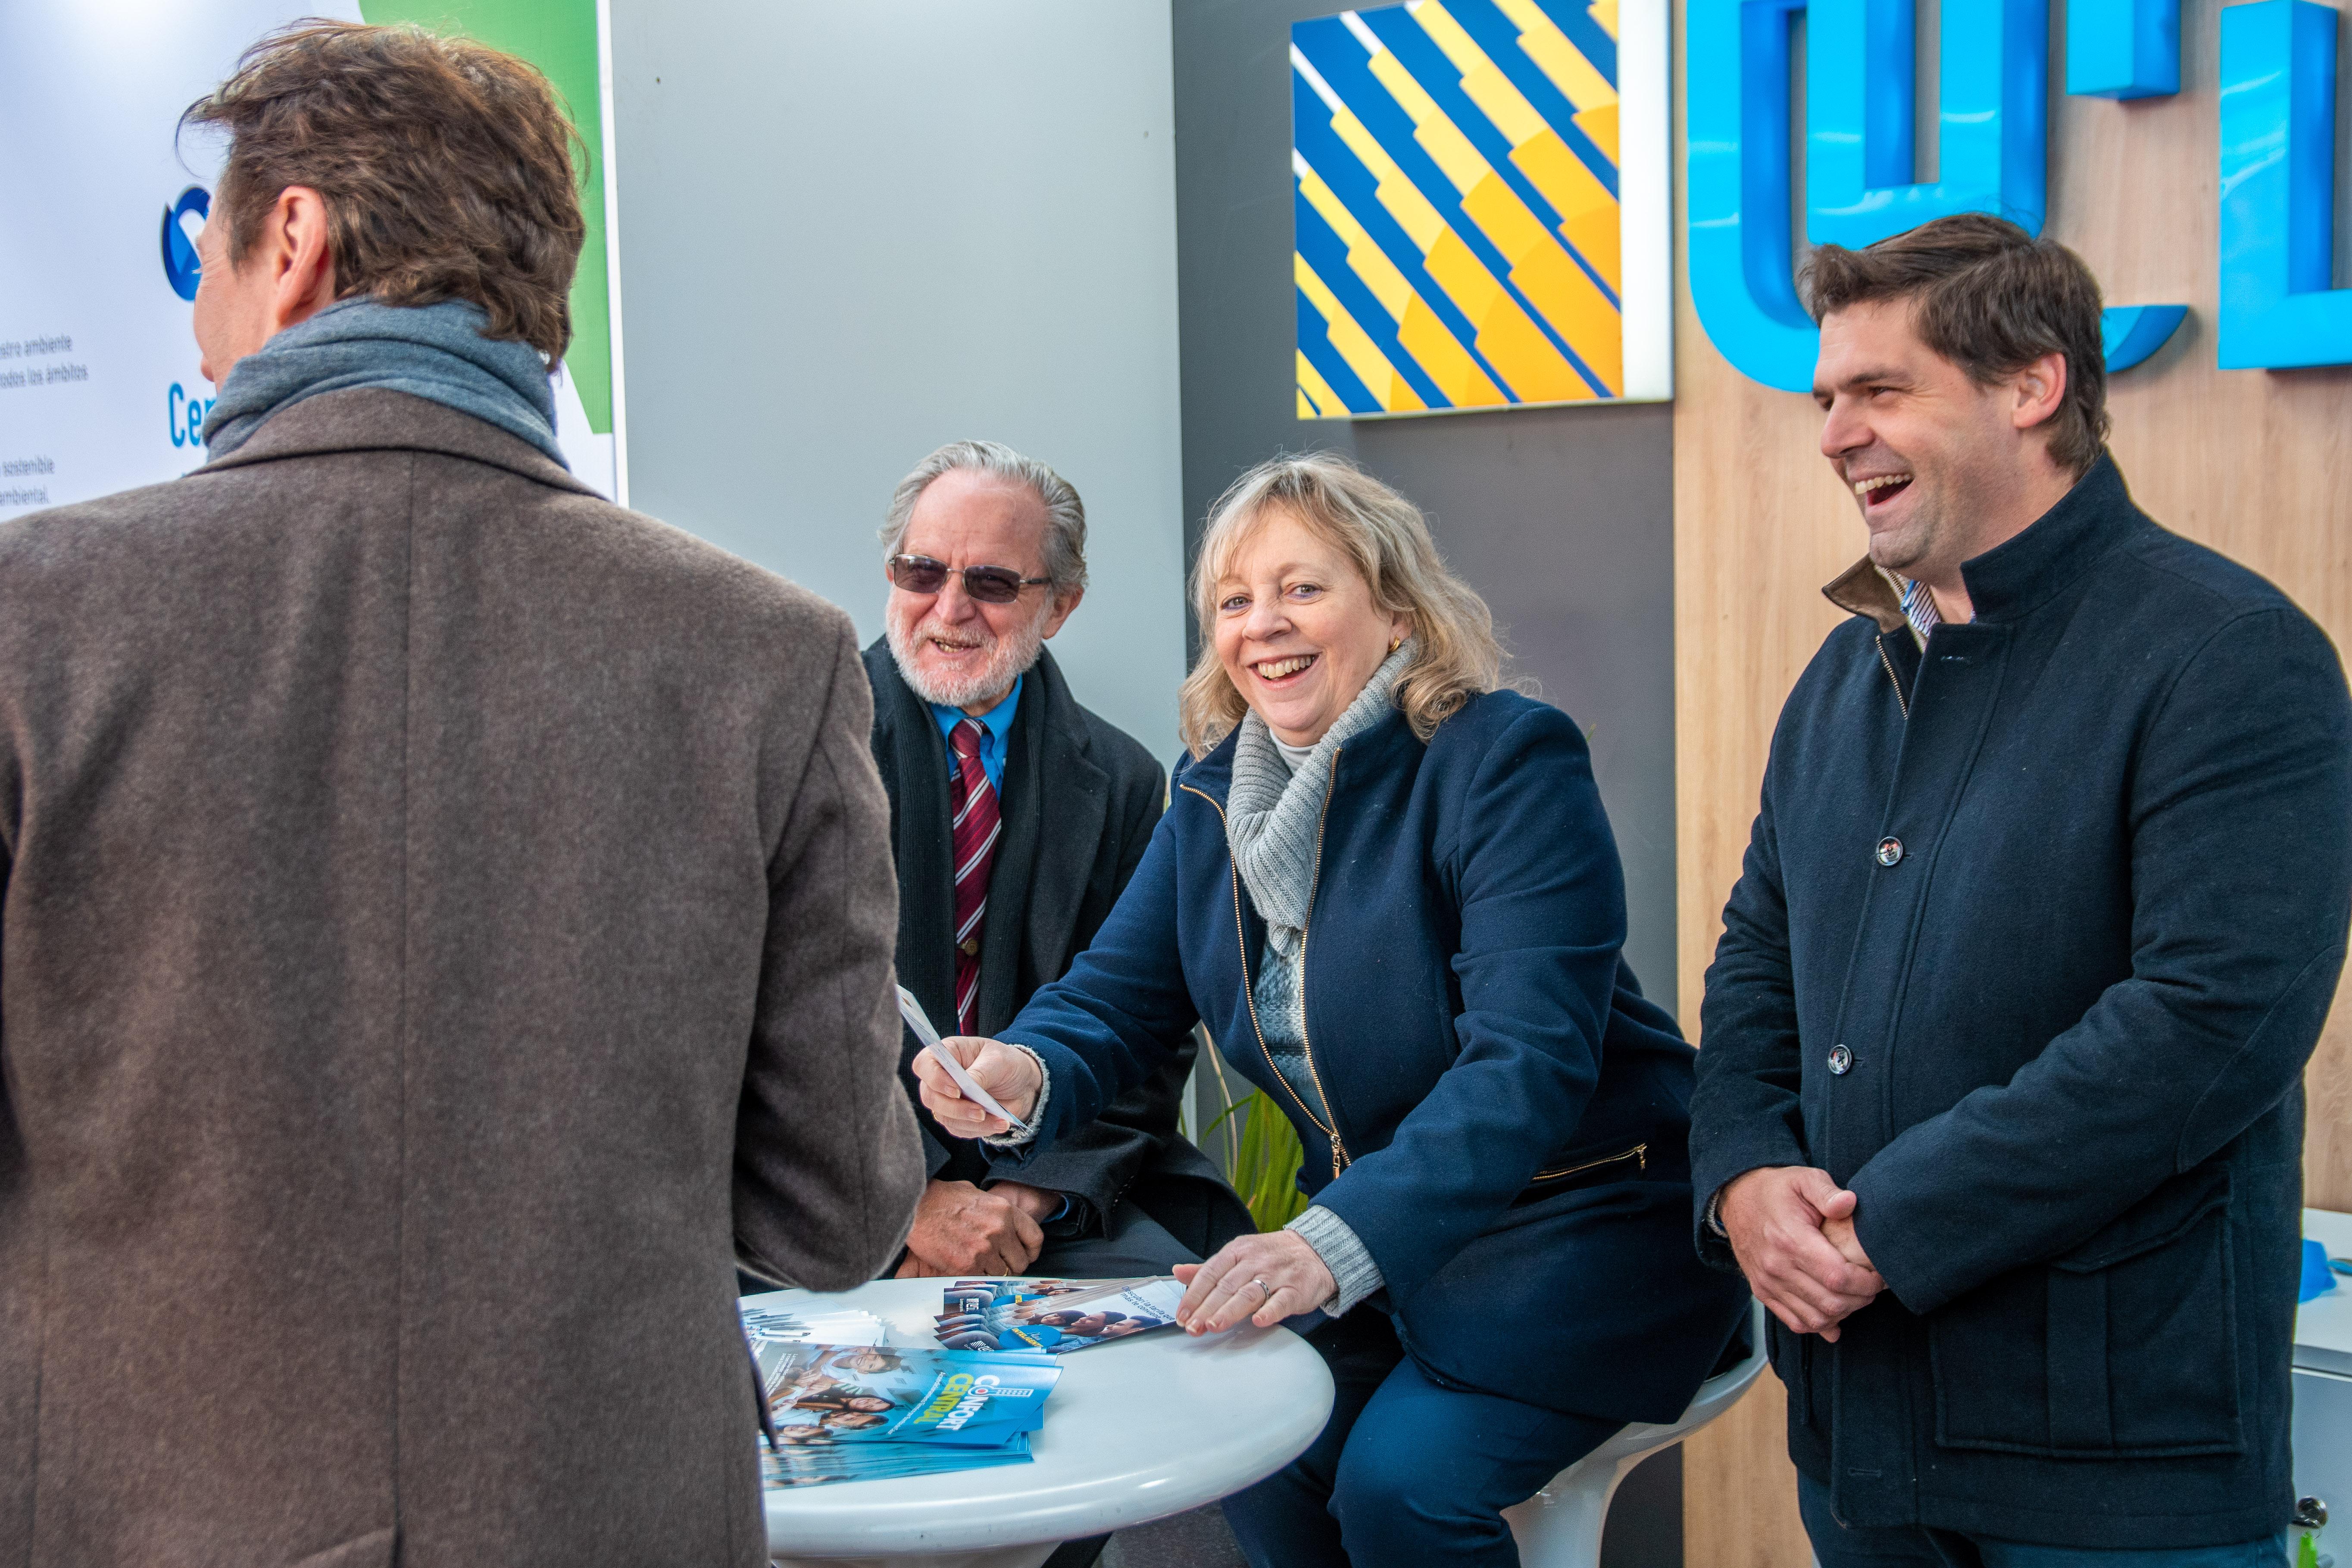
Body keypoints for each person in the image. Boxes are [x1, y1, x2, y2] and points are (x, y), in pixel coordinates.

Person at [0, 24, 923, 1567]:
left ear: (290, 239)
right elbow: (833, 1210)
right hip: (614, 1511)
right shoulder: (772, 653)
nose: (198, 327)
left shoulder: (30, 617)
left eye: (203, 266)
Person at [915, 454, 1749, 1568]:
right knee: (1251, 1449)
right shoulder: (1213, 791)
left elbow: (1528, 1062)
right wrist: (1025, 1069)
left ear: (1396, 606)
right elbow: (1117, 996)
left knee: (1401, 1487)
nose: (1264, 623)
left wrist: (1331, 1243)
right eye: (1234, 598)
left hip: (1581, 1234)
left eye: (1302, 587)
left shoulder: (1503, 759)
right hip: (1385, 1252)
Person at [1688, 214, 2351, 1565]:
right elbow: (1759, 957)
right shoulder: (1843, 675)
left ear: (2031, 384)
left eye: (1879, 391)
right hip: (1860, 1433)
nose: (1831, 433)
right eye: (1825, 398)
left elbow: (2202, 1027)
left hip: (2111, 1463)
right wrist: (1745, 1173)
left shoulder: (2230, 652)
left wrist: (1881, 1230)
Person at [865, 440, 1252, 1279]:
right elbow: (747, 1031)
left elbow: (1142, 1030)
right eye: (921, 571)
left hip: (1053, 1190)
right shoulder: (802, 745)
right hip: (840, 1198)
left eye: (993, 583)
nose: (949, 608)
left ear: (1061, 605)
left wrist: (1022, 1197)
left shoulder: (1120, 781)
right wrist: (907, 1207)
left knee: (1193, 1339)